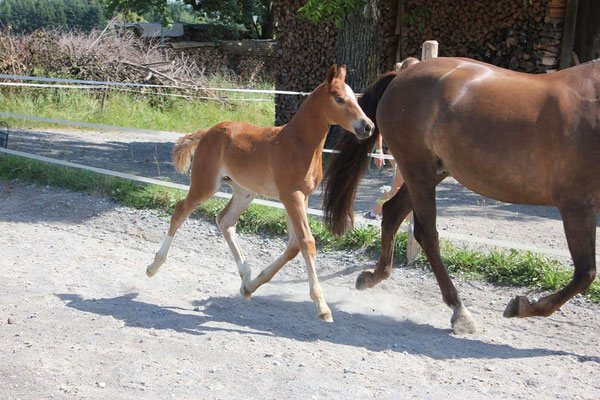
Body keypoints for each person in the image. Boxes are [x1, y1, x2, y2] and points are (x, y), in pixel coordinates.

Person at [364, 57, 419, 220]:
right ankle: (411, 225)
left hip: (412, 149)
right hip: (398, 149)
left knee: (398, 185)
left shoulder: (417, 94)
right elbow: (379, 122)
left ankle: (374, 212)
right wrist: (379, 150)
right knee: (405, 186)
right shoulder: (393, 94)